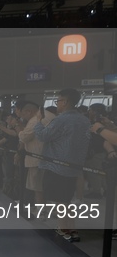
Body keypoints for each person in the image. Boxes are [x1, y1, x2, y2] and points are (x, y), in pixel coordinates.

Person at [34, 88, 90, 242]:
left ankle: (63, 230)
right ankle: (72, 229)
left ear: (65, 102)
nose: (57, 104)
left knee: (60, 201)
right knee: (66, 199)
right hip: (74, 166)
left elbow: (44, 136)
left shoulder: (61, 119)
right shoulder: (84, 120)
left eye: (58, 100)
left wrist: (39, 122)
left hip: (57, 165)